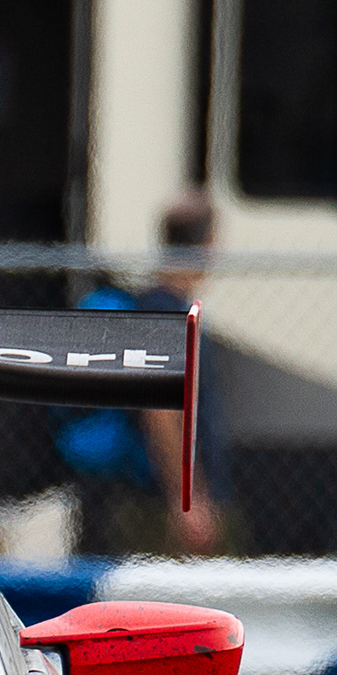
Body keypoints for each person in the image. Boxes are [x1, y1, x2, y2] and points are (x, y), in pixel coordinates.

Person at [56, 197, 221, 558]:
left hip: (160, 497)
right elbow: (159, 413)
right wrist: (187, 501)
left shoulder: (162, 306)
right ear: (206, 245)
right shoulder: (166, 313)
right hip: (158, 502)